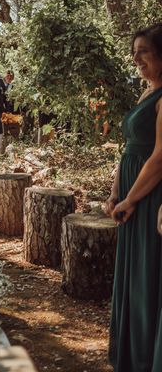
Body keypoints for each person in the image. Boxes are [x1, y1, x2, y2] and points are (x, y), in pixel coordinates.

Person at [106, 24, 162, 371]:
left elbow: (159, 158)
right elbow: (130, 150)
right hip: (131, 191)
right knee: (132, 272)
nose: (136, 57)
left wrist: (131, 200)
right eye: (134, 51)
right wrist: (115, 193)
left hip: (151, 196)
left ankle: (144, 357)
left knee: (148, 274)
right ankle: (128, 354)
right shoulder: (147, 92)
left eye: (143, 50)